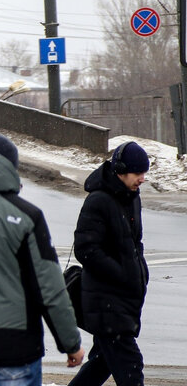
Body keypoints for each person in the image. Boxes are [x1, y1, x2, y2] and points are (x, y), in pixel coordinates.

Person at [0, 133, 84, 385]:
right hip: (16, 349)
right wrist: (70, 343)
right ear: (11, 169)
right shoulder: (27, 216)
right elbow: (50, 289)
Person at [68, 141, 149, 386]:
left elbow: (135, 243)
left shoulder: (131, 197)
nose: (142, 179)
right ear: (121, 172)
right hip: (106, 302)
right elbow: (86, 249)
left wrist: (140, 273)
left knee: (102, 363)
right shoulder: (99, 201)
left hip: (124, 299)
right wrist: (122, 273)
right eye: (137, 173)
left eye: (144, 173)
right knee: (131, 367)